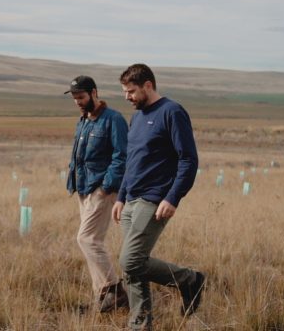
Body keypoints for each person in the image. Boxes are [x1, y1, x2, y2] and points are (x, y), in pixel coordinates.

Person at [111, 64, 206, 330]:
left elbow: (188, 159)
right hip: (131, 200)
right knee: (134, 269)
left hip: (154, 200)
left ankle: (190, 280)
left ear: (148, 86)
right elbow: (133, 160)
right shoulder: (138, 117)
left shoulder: (171, 112)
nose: (127, 97)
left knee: (130, 260)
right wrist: (120, 197)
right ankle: (139, 324)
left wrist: (173, 197)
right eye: (125, 92)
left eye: (131, 91)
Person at [65, 75, 129, 313]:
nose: (78, 102)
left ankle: (115, 290)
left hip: (102, 189)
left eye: (81, 97)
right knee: (94, 242)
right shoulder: (83, 121)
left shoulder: (114, 120)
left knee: (86, 239)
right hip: (83, 188)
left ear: (94, 93)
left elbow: (122, 155)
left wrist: (106, 187)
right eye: (74, 98)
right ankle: (102, 297)